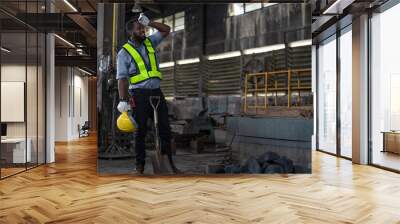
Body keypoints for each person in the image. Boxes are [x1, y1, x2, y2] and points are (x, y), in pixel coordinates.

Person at [116, 13, 180, 174]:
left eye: (143, 28)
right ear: (131, 32)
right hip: (139, 95)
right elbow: (122, 79)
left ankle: (169, 164)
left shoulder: (150, 42)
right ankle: (140, 166)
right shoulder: (124, 53)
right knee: (141, 131)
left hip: (157, 92)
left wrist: (149, 22)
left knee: (165, 129)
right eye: (139, 28)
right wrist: (123, 100)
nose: (143, 30)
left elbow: (166, 29)